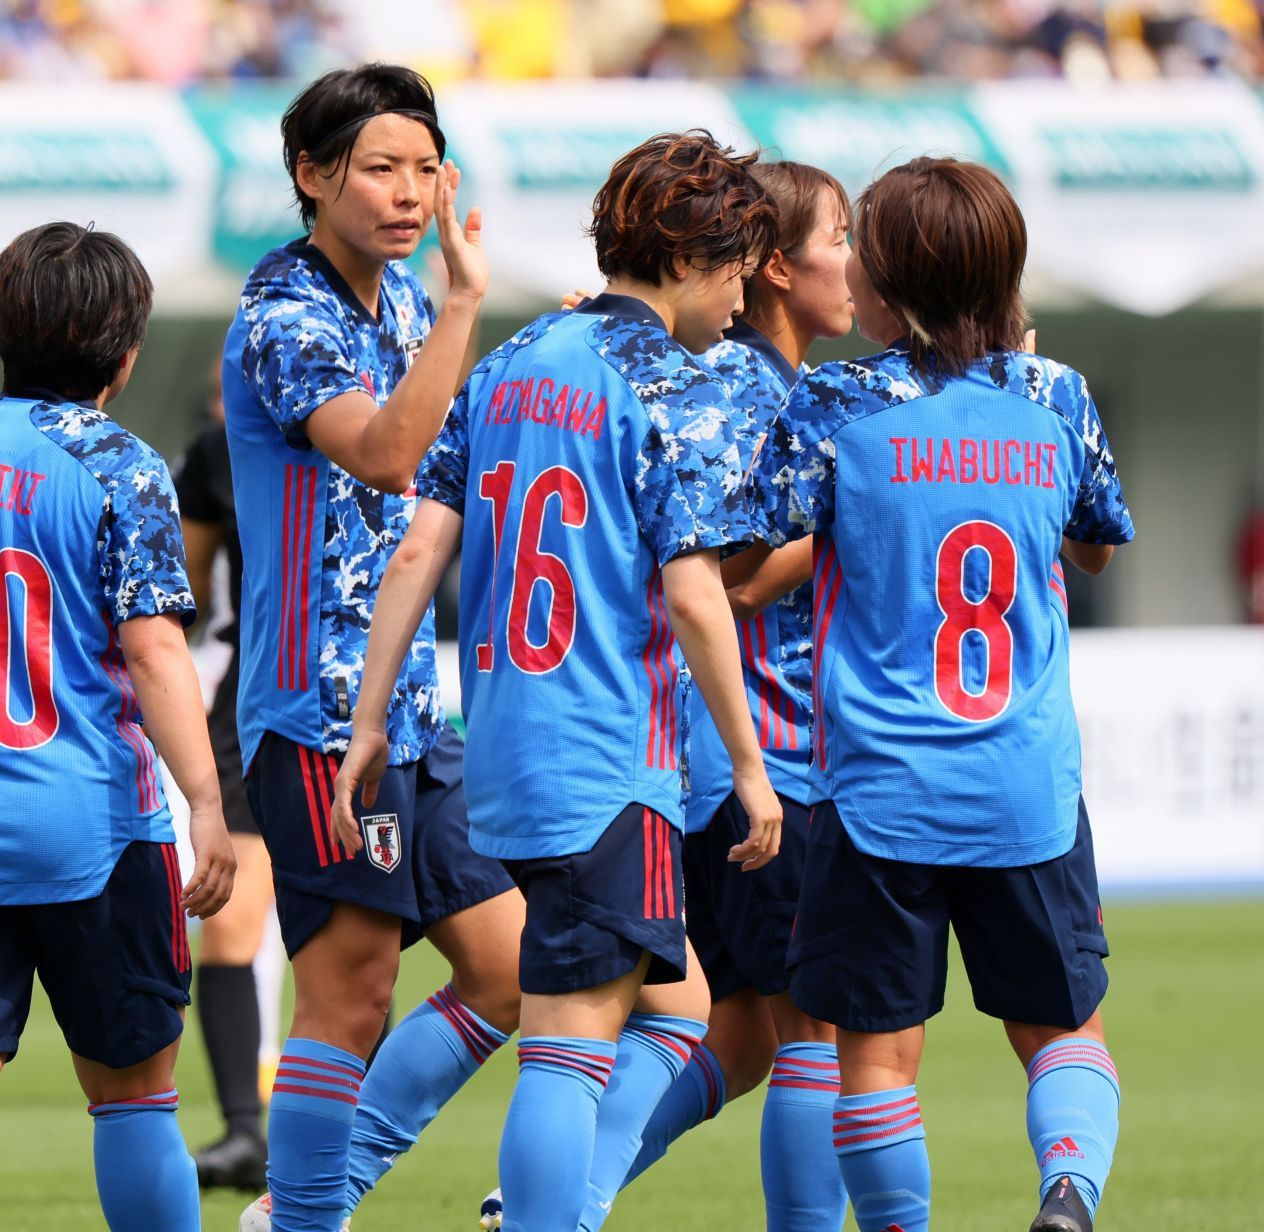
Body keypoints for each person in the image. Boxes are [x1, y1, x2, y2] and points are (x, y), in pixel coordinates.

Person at [334, 131, 785, 1232]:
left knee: (679, 1005)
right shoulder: (670, 388)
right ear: (689, 261)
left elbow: (414, 551)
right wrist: (750, 765)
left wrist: (368, 720)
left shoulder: (510, 364)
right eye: (736, 271)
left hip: (503, 746)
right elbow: (694, 596)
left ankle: (538, 1205)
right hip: (603, 753)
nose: (741, 301)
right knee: (573, 1039)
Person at [747, 158, 1133, 1232]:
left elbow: (756, 560)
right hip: (1025, 781)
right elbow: (1094, 549)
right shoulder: (1055, 397)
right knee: (1064, 1028)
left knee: (874, 1053)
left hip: (879, 789)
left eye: (864, 243)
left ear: (895, 275)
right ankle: (1067, 1187)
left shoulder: (833, 399)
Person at [0, 221, 236, 1232]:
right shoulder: (123, 465)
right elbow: (155, 652)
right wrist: (205, 799)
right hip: (88, 823)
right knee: (135, 1090)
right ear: (126, 347)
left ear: (4, 330)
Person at [224, 63, 525, 1232]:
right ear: (313, 174)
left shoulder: (400, 298)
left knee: (505, 970)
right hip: (312, 706)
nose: (411, 193)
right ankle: (305, 1218)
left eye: (426, 169)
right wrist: (462, 303)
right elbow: (391, 455)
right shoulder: (283, 310)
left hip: (410, 706)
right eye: (382, 168)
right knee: (347, 999)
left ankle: (305, 1203)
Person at [599, 160, 858, 1232]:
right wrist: (850, 522)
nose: (860, 260)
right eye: (842, 235)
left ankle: (556, 1183)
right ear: (778, 268)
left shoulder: (748, 380)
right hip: (768, 756)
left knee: (740, 1035)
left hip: (712, 757)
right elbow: (731, 579)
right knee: (819, 1033)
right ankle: (559, 1186)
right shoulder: (749, 390)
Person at [174, 372, 280, 1189]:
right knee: (231, 921)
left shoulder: (390, 426)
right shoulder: (216, 454)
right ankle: (245, 1130)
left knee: (365, 937)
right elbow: (174, 598)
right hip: (252, 699)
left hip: (372, 693)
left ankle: (344, 1123)